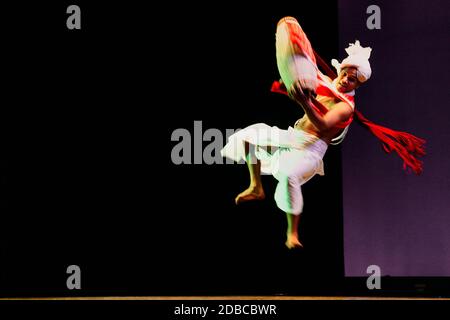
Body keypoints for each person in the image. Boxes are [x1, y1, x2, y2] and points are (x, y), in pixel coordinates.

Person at [220, 17, 425, 249]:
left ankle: (292, 233)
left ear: (358, 85)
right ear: (342, 69)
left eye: (353, 80)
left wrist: (304, 102)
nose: (346, 80)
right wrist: (291, 69)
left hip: (310, 150)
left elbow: (323, 125)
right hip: (294, 136)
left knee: (289, 176)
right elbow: (301, 70)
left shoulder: (346, 107)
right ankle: (256, 186)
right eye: (346, 73)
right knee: (250, 136)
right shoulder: (326, 82)